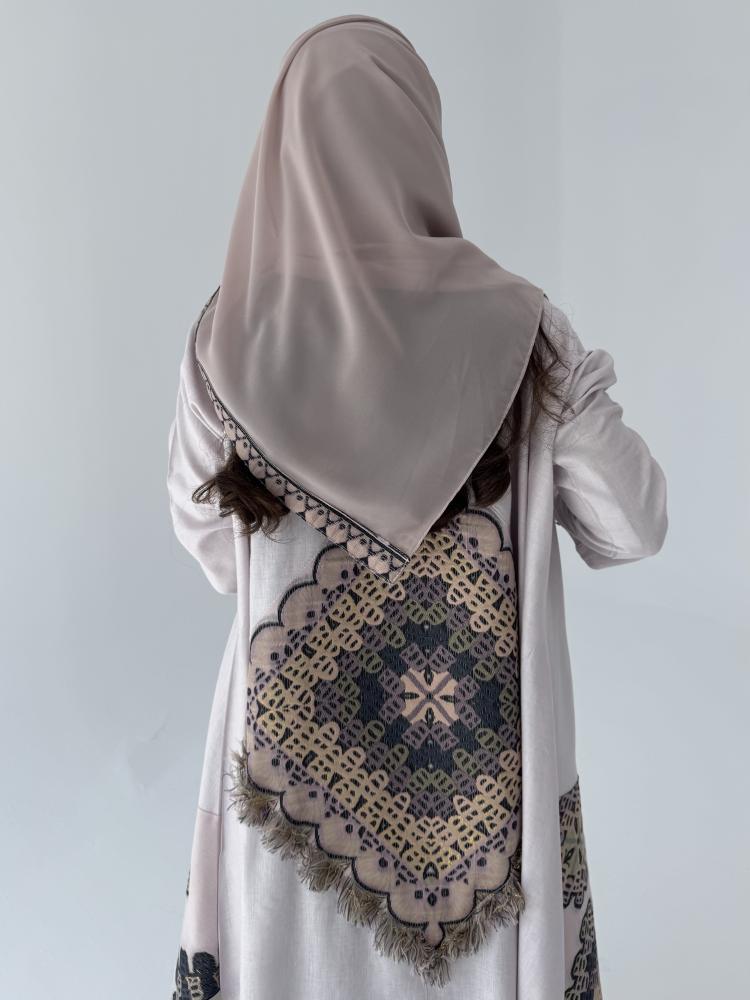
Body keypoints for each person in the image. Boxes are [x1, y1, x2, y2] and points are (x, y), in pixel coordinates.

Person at [166, 15, 667, 1000]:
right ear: (419, 138)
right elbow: (634, 524)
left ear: (287, 146)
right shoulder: (521, 333)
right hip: (488, 821)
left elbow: (213, 554)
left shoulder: (226, 341)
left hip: (289, 803)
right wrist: (560, 379)